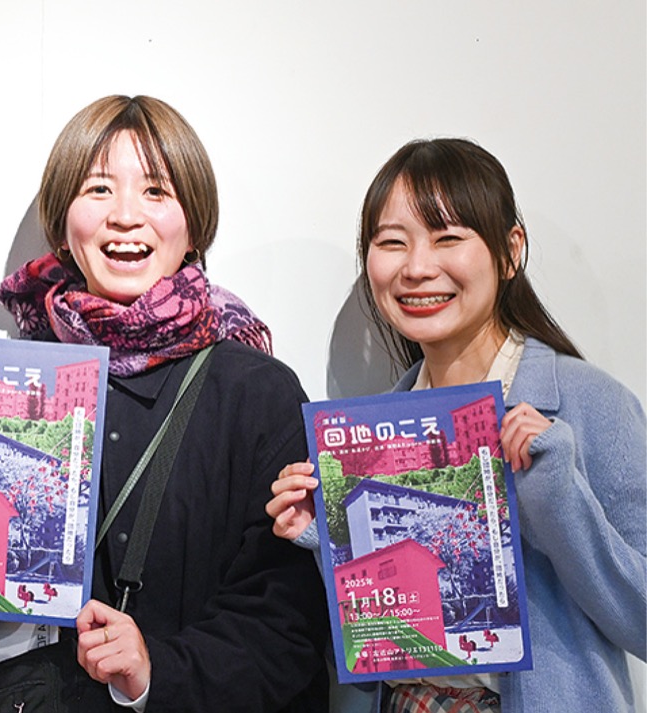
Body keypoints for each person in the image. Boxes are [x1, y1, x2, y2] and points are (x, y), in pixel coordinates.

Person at [0, 95, 329, 711]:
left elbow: (287, 629)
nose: (125, 216)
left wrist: (154, 671)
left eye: (156, 191)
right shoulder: (8, 384)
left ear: (194, 224)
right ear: (64, 223)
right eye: (99, 189)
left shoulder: (257, 391)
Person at [266, 138, 647, 713]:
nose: (418, 268)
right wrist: (326, 536)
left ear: (509, 251)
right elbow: (386, 646)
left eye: (447, 238)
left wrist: (557, 496)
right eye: (392, 242)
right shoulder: (375, 434)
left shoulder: (587, 404)